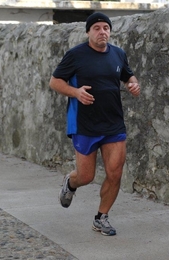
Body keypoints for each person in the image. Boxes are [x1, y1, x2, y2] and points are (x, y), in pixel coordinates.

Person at [49, 12, 140, 236]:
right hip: (85, 124)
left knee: (115, 173)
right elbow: (55, 82)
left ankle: (101, 217)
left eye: (105, 28)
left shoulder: (118, 54)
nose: (102, 32)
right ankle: (70, 183)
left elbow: (129, 76)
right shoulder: (76, 55)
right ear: (88, 32)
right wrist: (76, 92)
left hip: (113, 124)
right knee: (86, 177)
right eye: (97, 28)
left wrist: (133, 84)